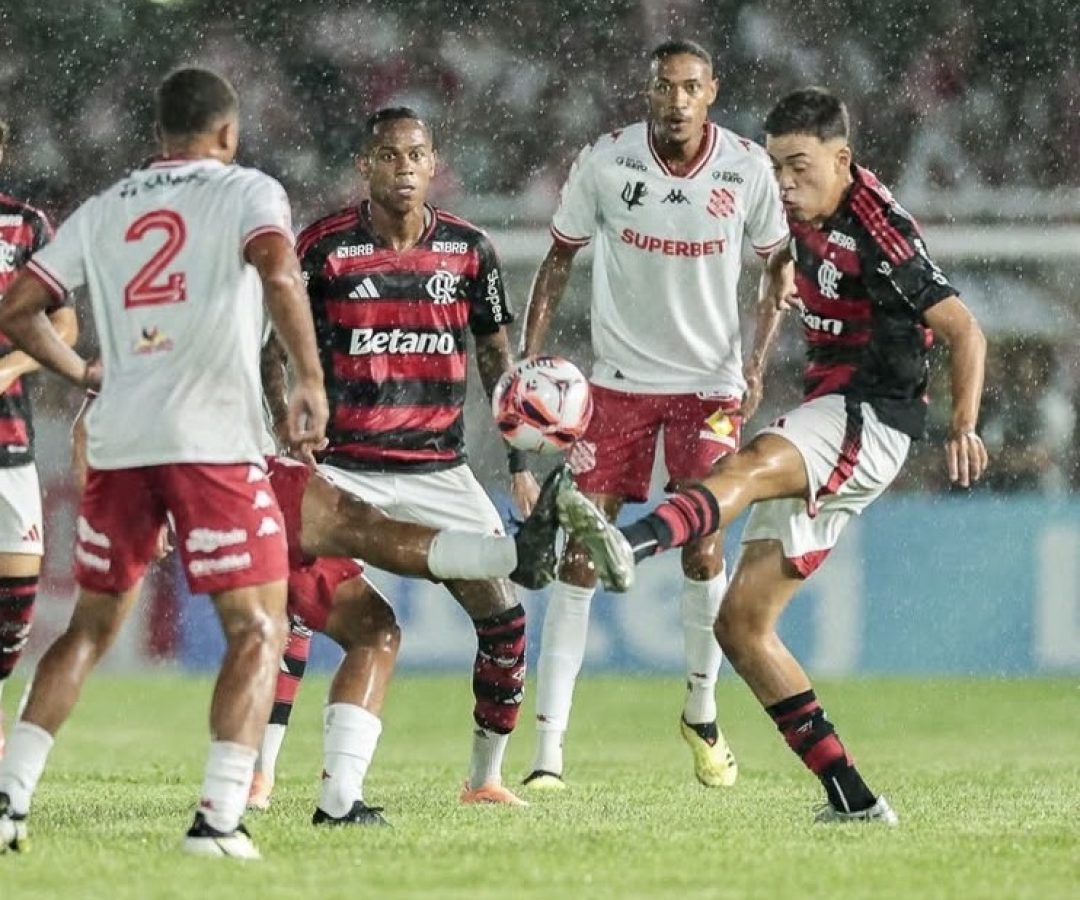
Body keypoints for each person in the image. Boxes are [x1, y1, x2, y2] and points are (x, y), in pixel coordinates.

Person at [563, 86, 988, 824]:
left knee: (749, 463)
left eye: (800, 168)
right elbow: (778, 253)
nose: (786, 186)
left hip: (870, 416)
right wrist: (785, 285)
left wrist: (965, 425)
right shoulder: (799, 211)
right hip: (833, 409)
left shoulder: (881, 231)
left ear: (843, 160)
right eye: (778, 169)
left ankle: (629, 542)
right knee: (743, 625)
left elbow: (965, 329)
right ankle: (852, 799)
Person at [0, 68, 329, 859]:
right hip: (210, 439)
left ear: (159, 134)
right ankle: (218, 820)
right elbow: (280, 270)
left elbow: (17, 311)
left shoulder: (104, 207)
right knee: (258, 626)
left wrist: (81, 371)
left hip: (121, 439)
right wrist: (308, 376)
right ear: (227, 133)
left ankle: (8, 804)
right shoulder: (248, 190)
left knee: (85, 630)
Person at [70, 406, 629, 827]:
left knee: (341, 627)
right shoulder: (262, 282)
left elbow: (96, 410)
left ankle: (255, 791)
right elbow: (100, 408)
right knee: (325, 590)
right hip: (276, 479)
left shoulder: (177, 309)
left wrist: (134, 502)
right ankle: (265, 796)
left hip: (247, 483)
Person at [253, 106, 545, 809]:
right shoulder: (323, 248)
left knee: (504, 621)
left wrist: (520, 464)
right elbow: (272, 349)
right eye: (389, 156)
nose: (405, 168)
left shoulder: (471, 251)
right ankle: (259, 772)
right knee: (297, 612)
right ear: (366, 165)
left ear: (434, 163)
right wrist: (284, 429)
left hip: (439, 471)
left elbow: (498, 365)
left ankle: (484, 779)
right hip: (343, 467)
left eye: (416, 156)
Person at [520, 38, 791, 790]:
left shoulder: (747, 168)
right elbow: (558, 258)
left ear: (713, 91)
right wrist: (528, 362)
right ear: (647, 92)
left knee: (703, 546)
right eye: (665, 87)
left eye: (691, 88)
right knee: (579, 560)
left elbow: (778, 264)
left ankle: (701, 712)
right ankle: (547, 757)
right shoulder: (605, 162)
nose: (677, 101)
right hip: (617, 386)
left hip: (708, 388)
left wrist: (758, 360)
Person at [0, 119, 78, 758]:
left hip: (9, 439)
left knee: (15, 608)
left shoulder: (26, 225)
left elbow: (64, 323)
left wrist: (11, 365)